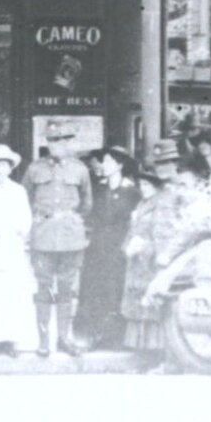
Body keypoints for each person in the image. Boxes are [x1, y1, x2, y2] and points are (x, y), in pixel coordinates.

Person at [121, 139, 209, 370]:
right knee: (152, 310)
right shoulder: (156, 193)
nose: (162, 168)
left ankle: (174, 362)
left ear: (176, 163)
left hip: (175, 260)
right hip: (152, 259)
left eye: (167, 163)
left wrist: (169, 254)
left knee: (170, 312)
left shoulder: (185, 190)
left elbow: (194, 224)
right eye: (158, 163)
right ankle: (153, 358)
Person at [24, 123, 93, 355]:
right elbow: (25, 199)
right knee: (44, 289)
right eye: (53, 140)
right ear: (48, 142)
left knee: (66, 290)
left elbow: (87, 203)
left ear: (70, 142)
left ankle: (64, 338)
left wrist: (69, 220)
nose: (57, 145)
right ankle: (44, 342)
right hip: (43, 236)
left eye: (63, 140)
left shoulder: (80, 169)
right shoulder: (35, 169)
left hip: (70, 237)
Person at [75, 146, 141, 351]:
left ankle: (116, 338)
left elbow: (133, 222)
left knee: (115, 291)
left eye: (110, 161)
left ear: (120, 165)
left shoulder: (131, 192)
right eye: (104, 161)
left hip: (118, 248)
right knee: (95, 291)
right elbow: (90, 214)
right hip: (97, 247)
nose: (105, 165)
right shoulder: (99, 189)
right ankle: (93, 336)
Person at [0, 143, 37, 355]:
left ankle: (10, 340)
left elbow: (25, 218)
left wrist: (18, 229)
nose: (0, 170)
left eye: (4, 165)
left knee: (12, 295)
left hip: (12, 247)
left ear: (10, 168)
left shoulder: (18, 190)